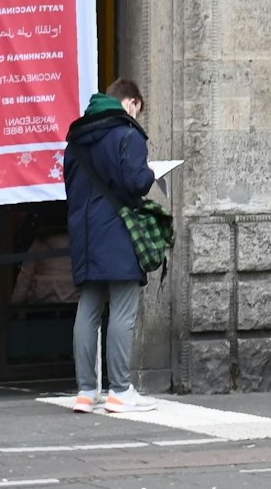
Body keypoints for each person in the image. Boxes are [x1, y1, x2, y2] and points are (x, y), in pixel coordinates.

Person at [64, 78, 158, 414]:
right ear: (131, 103)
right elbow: (136, 181)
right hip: (118, 232)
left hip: (85, 234)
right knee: (122, 310)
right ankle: (120, 390)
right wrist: (150, 174)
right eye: (138, 110)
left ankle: (86, 391)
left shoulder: (75, 139)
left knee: (88, 310)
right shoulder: (127, 134)